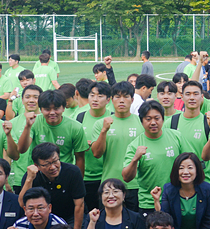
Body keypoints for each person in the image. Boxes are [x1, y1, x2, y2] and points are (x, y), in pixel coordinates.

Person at [122, 101, 186, 211]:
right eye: (148, 119)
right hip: (148, 203)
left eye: (157, 118)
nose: (153, 122)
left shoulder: (176, 137)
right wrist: (135, 159)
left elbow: (189, 162)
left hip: (177, 200)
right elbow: (126, 177)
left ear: (163, 119)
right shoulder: (135, 146)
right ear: (141, 121)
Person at [89, 82, 142, 211]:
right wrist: (104, 131)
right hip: (109, 185)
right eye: (117, 97)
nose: (121, 101)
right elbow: (96, 153)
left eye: (126, 97)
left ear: (132, 99)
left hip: (136, 185)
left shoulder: (141, 122)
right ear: (111, 100)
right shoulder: (101, 123)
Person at [19, 142, 86, 229]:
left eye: (55, 161)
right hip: (44, 219)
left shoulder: (73, 172)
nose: (53, 167)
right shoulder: (31, 176)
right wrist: (29, 179)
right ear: (37, 165)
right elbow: (22, 203)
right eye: (46, 164)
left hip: (71, 217)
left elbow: (79, 205)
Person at [76, 81, 112, 212]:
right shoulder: (79, 117)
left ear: (108, 99)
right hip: (85, 177)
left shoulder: (113, 118)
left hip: (106, 176)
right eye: (92, 95)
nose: (95, 99)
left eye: (100, 95)